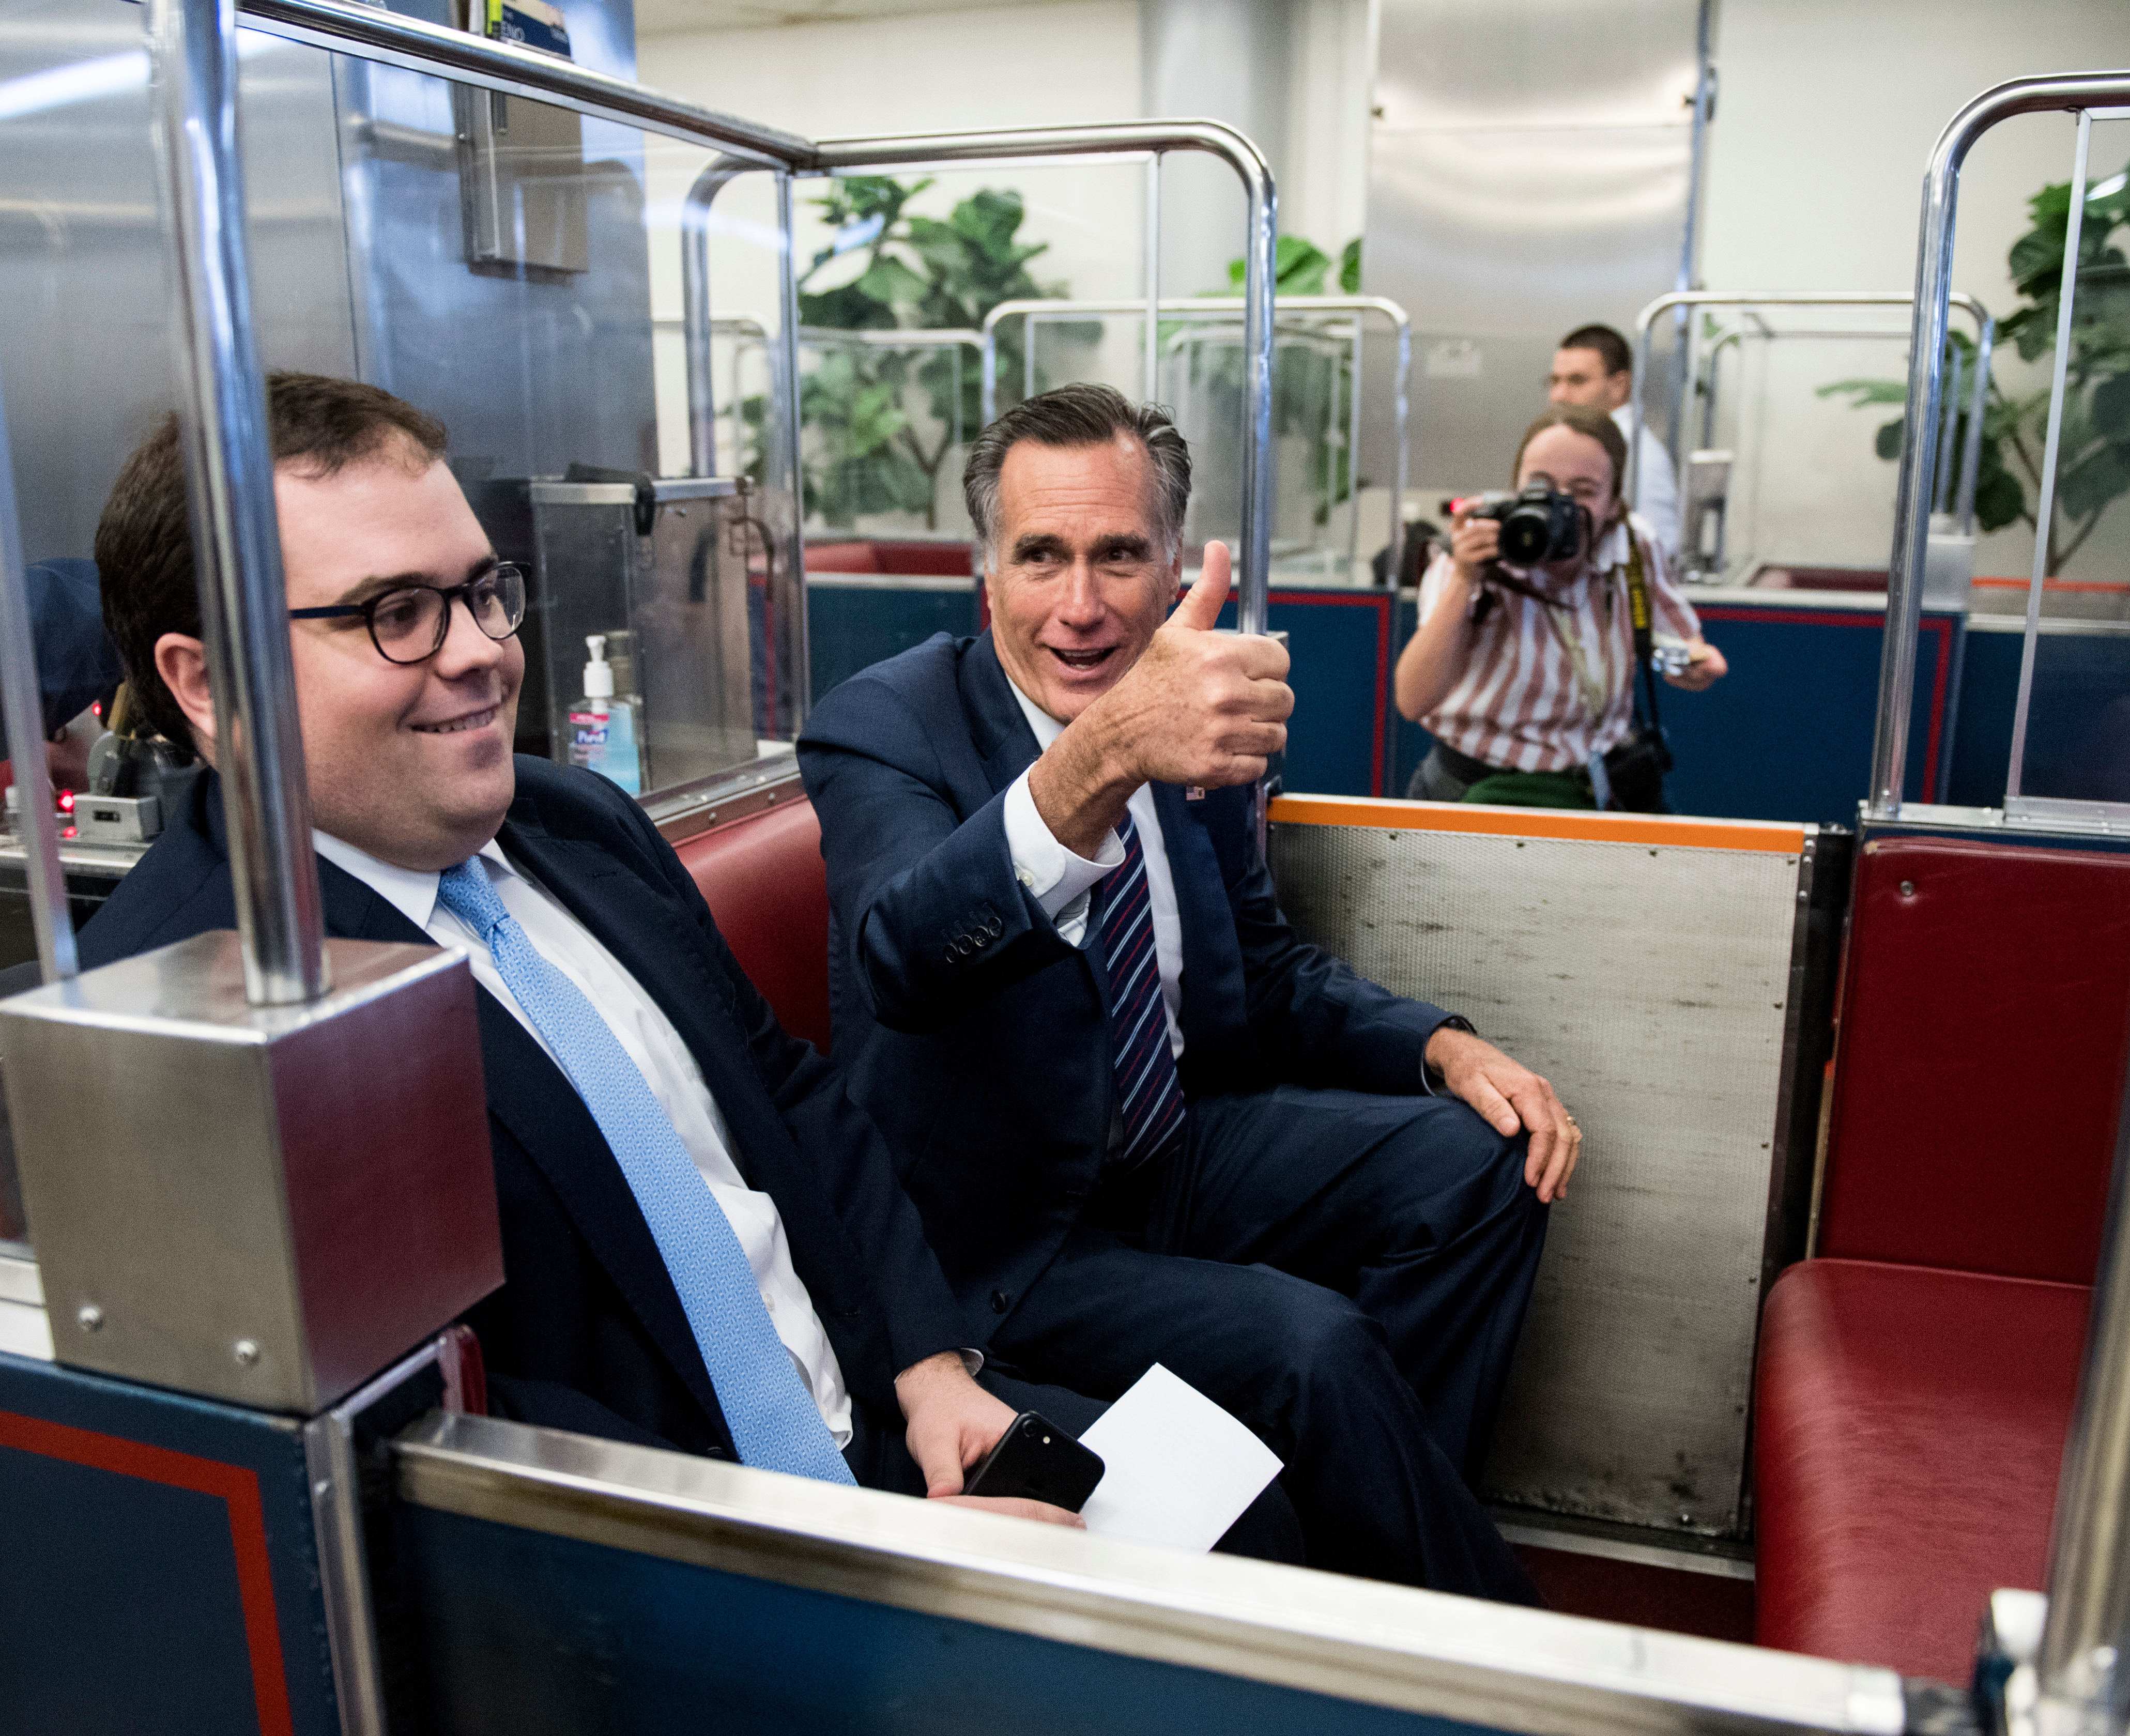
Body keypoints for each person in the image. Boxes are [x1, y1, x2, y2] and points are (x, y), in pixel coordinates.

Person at [75, 372, 1300, 1551]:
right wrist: (850, 1553)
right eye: (395, 612)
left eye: (483, 590)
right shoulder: (194, 1010)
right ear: (206, 681)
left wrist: (930, 1366)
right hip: (684, 1557)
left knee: (1256, 1516)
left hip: (883, 1431)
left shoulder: (575, 827)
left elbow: (794, 1100)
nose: (480, 654)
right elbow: (430, 1441)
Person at [799, 383, 1568, 1605]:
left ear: (1173, 567)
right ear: (985, 575)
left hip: (1172, 1147)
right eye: (1040, 555)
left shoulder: (1191, 709)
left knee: (1482, 1159)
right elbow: (901, 951)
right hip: (1006, 1232)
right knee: (1315, 1350)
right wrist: (1104, 751)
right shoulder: (889, 721)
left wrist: (1439, 1045)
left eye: (1118, 553)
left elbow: (1258, 970)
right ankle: (1490, 1641)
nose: (1080, 602)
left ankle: (1354, 1532)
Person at [1396, 405, 1726, 811]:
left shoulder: (1633, 546)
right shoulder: (1476, 550)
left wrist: (1693, 665)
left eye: (1584, 490)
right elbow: (1412, 699)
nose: (1559, 506)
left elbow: (1685, 646)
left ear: (1613, 501)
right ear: (1516, 487)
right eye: (1541, 484)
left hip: (1594, 783)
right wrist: (1465, 577)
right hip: (1482, 785)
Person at [1548, 324, 1679, 538]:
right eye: (1555, 381)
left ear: (1619, 386)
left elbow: (1658, 546)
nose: (1559, 395)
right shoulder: (1579, 443)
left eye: (1577, 381)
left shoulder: (1638, 455)